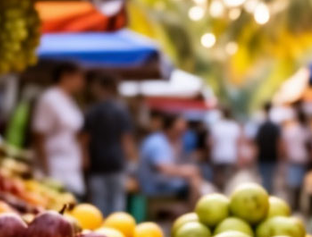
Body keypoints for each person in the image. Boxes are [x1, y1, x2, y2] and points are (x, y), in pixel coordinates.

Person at [82, 73, 135, 215]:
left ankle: (99, 234)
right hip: (116, 163)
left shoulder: (92, 110)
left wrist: (85, 159)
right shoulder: (121, 111)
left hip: (97, 164)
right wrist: (130, 161)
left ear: (101, 88)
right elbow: (126, 139)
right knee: (117, 203)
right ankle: (116, 232)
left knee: (99, 204)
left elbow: (85, 139)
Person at [32, 63, 86, 196]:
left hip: (71, 166)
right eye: (79, 77)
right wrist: (46, 171)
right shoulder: (50, 98)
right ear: (65, 76)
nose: (81, 82)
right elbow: (39, 135)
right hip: (54, 167)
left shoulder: (69, 100)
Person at [138, 113, 202, 202]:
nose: (183, 133)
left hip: (161, 183)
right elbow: (164, 168)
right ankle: (192, 210)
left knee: (195, 180)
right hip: (154, 187)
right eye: (179, 130)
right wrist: (187, 171)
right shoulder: (157, 142)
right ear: (169, 128)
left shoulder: (168, 141)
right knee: (194, 181)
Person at [281, 108, 312, 205]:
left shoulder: (291, 131)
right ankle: (297, 204)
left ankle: (294, 204)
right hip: (301, 160)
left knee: (294, 185)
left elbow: (284, 145)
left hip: (294, 160)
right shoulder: (306, 131)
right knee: (299, 185)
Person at [208, 110, 245, 190]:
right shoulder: (234, 126)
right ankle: (226, 191)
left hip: (218, 155)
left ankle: (219, 191)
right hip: (231, 155)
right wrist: (239, 157)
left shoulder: (216, 126)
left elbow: (211, 142)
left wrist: (210, 154)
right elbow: (238, 143)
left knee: (218, 176)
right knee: (228, 177)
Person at [254, 102, 281, 193]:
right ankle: (268, 193)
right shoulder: (275, 126)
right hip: (272, 156)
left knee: (265, 178)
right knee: (270, 178)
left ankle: (266, 193)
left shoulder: (260, 126)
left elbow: (256, 143)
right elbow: (278, 142)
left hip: (263, 156)